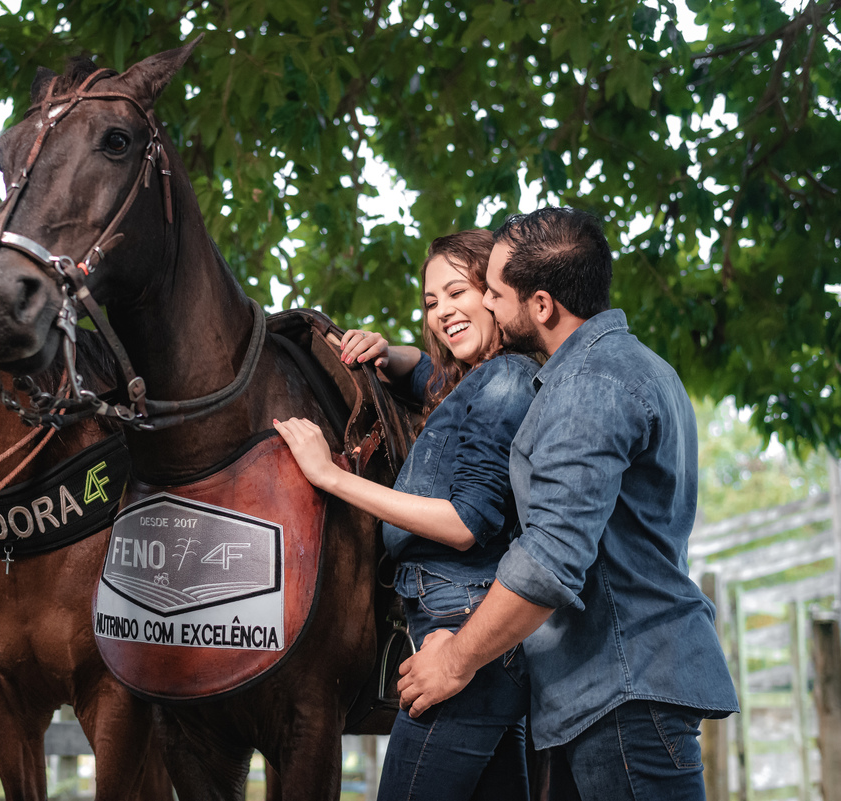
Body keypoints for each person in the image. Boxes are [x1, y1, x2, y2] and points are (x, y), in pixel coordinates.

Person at [397, 207, 739, 800]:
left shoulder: (589, 386)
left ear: (543, 305)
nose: (492, 310)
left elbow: (549, 561)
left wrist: (454, 660)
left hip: (623, 688)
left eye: (496, 295)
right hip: (617, 687)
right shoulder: (636, 367)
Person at [274, 229, 540, 800]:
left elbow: (466, 522)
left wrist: (330, 477)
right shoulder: (478, 380)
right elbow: (426, 374)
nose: (442, 312)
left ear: (495, 294)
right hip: (476, 631)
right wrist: (387, 352)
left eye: (457, 293)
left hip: (460, 627)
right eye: (430, 303)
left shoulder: (504, 382)